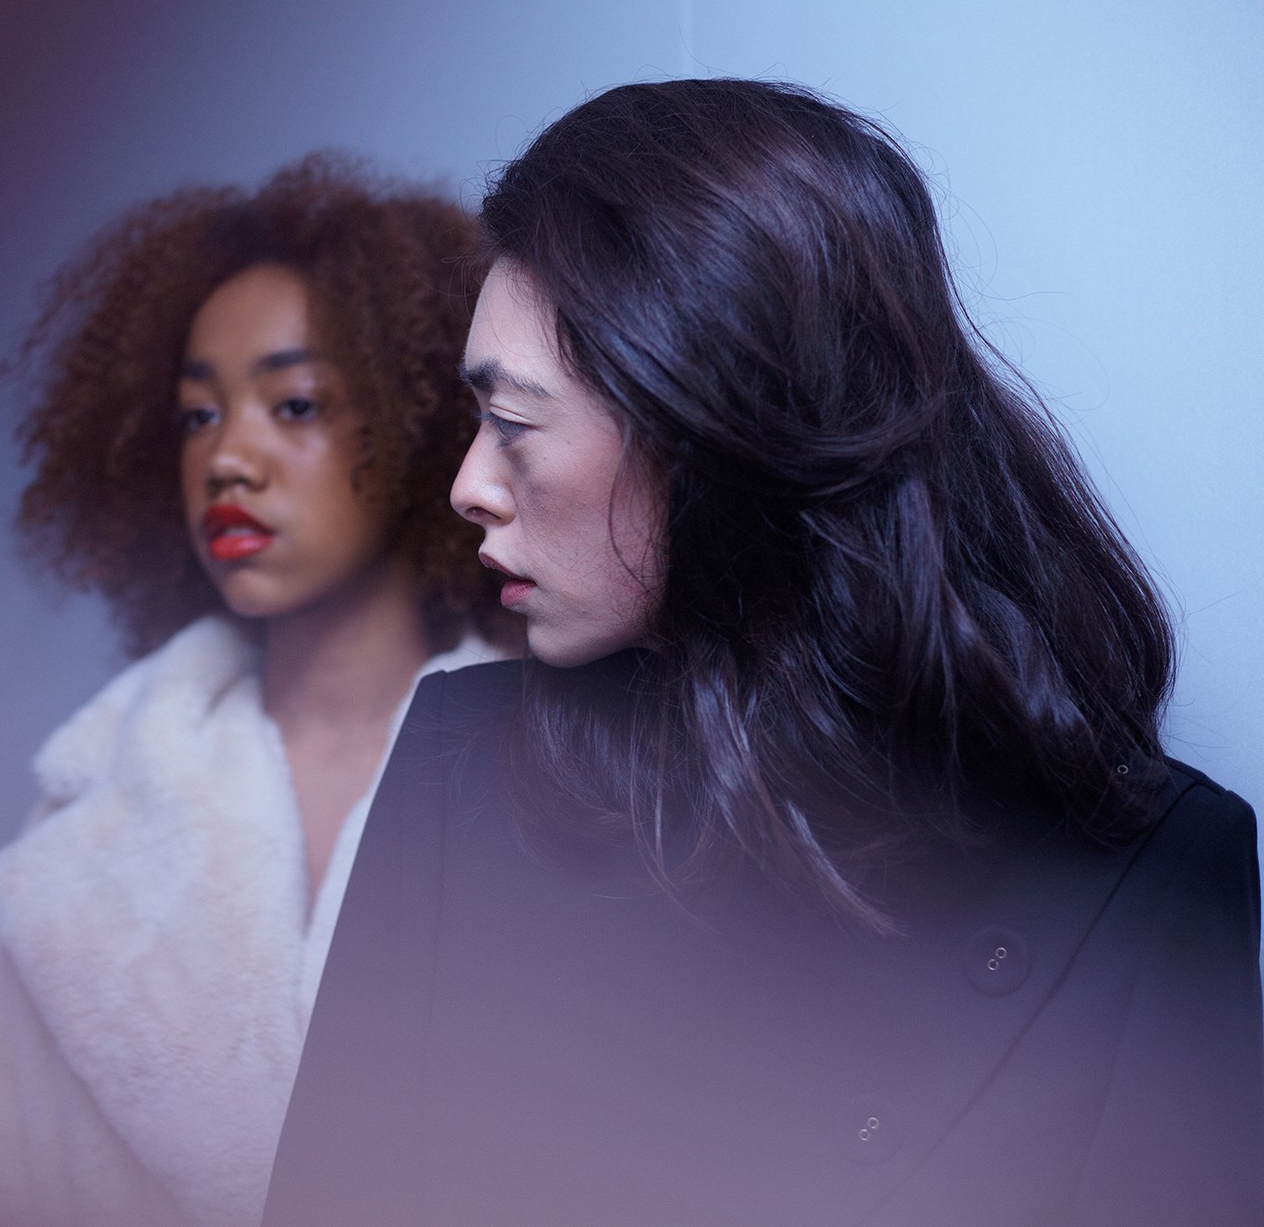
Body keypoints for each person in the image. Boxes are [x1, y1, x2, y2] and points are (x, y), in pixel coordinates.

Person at [263, 80, 1263, 1226]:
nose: (467, 486)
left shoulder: (1146, 881)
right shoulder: (461, 776)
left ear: (715, 433)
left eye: (516, 425)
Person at [0, 155, 517, 1227]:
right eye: (196, 416)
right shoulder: (88, 817)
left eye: (295, 403)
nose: (229, 458)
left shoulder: (567, 776)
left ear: (421, 424)